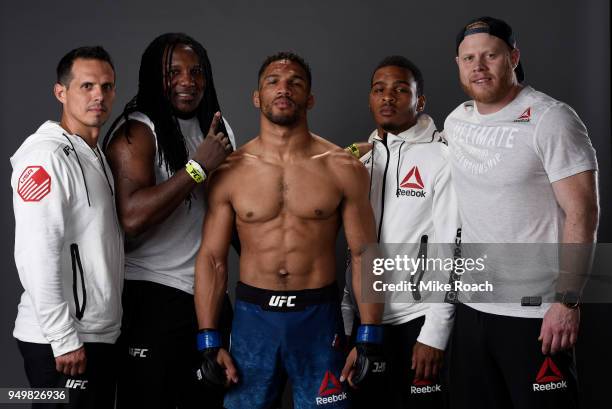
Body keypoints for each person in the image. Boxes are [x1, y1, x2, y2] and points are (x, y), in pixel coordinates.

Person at [193, 51, 385, 409]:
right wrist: (209, 338)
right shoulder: (229, 171)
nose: (284, 88)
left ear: (309, 98)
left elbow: (364, 255)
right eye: (273, 81)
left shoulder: (343, 167)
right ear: (257, 96)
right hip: (253, 322)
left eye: (295, 82)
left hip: (318, 319)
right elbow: (212, 258)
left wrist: (369, 336)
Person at [444, 16, 599, 409]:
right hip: (473, 308)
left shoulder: (551, 119)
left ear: (513, 57)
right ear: (459, 64)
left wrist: (567, 302)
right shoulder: (457, 121)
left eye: (490, 55)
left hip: (536, 316)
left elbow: (583, 212)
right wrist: (367, 149)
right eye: (468, 58)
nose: (478, 66)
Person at [104, 33, 235, 409]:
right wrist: (196, 168)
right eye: (173, 71)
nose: (187, 81)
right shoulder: (137, 132)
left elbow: (231, 216)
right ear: (154, 77)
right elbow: (131, 217)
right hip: (152, 299)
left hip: (208, 300)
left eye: (196, 71)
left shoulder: (217, 132)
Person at [342, 56, 460, 408]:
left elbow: (453, 249)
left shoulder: (441, 158)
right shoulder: (360, 161)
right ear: (370, 98)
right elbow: (353, 249)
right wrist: (349, 319)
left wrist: (435, 334)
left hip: (417, 321)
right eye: (379, 89)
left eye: (400, 90)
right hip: (366, 321)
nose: (388, 97)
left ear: (419, 101)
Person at [11, 46, 123, 408]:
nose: (98, 96)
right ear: (61, 93)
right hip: (61, 341)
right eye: (87, 86)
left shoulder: (94, 154)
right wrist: (63, 337)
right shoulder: (45, 156)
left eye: (107, 87)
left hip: (96, 335)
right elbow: (36, 252)